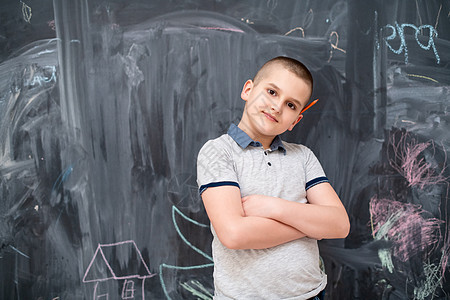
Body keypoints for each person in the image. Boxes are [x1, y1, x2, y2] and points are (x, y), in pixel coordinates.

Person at [196, 56, 350, 300]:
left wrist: (272, 207)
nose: (278, 107)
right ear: (248, 90)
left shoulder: (303, 157)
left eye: (291, 105)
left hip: (311, 295)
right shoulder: (218, 152)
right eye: (271, 92)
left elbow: (339, 225)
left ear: (296, 120)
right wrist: (309, 226)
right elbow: (235, 234)